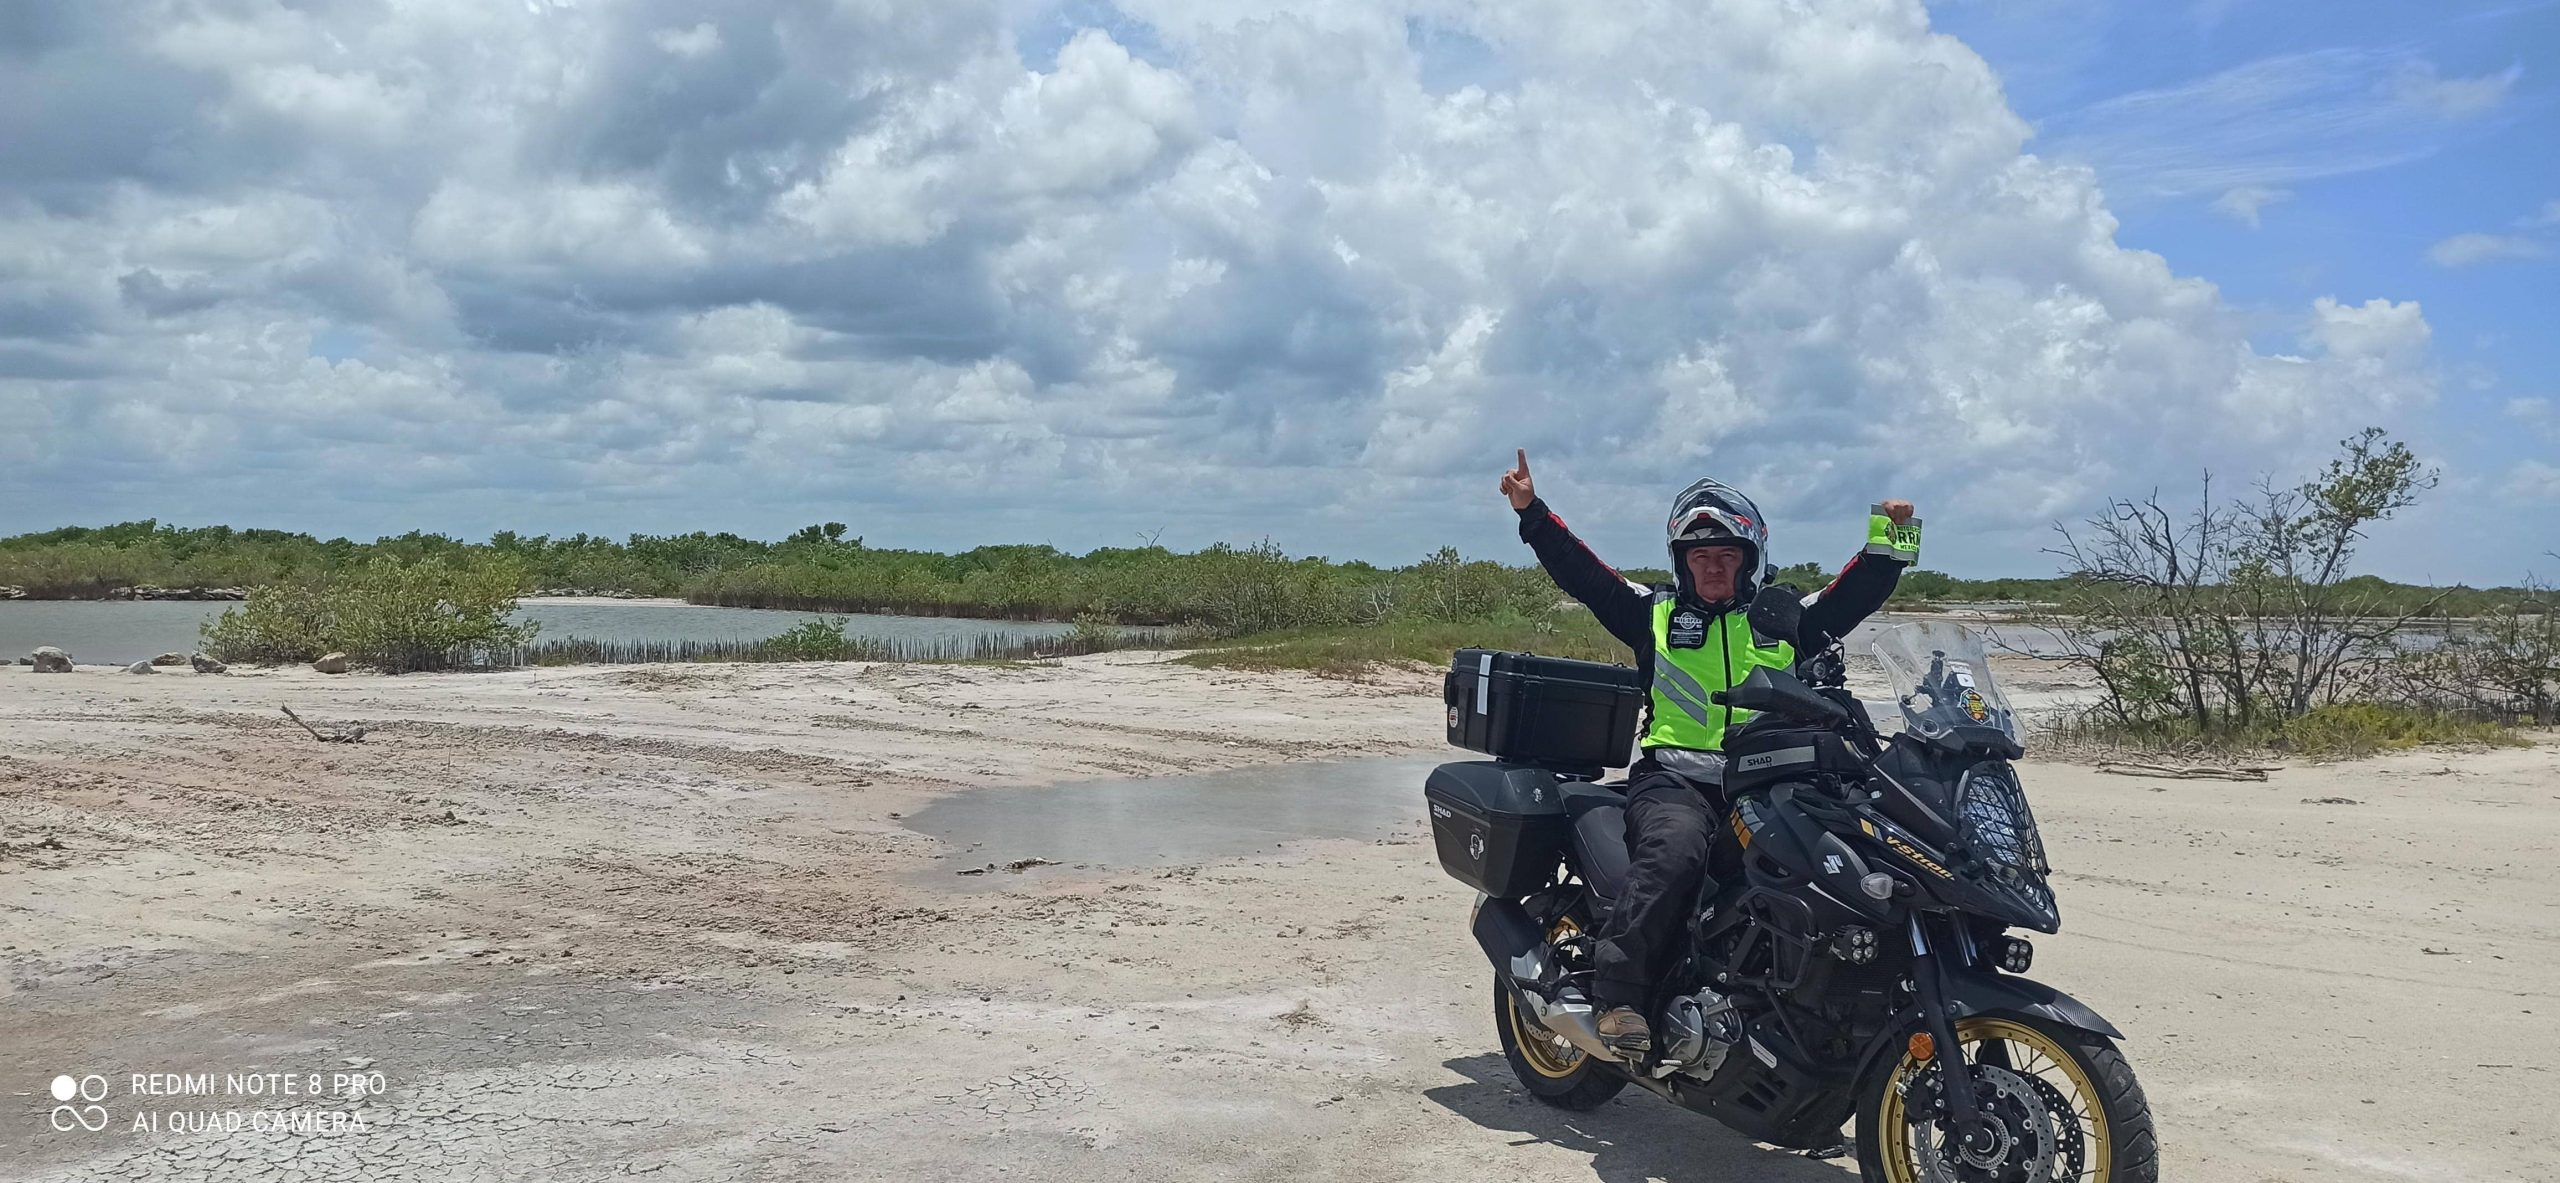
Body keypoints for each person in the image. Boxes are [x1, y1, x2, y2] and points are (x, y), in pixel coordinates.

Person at [1499, 449, 1918, 1056]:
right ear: (1682, 562)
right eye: (1701, 557)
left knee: (1851, 863)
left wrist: (1893, 534)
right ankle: (1619, 997)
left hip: (1774, 785)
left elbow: (1855, 595)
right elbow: (1583, 573)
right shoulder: (1654, 614)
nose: (1714, 568)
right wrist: (1532, 513)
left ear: (1749, 561)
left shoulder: (1783, 618)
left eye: (1726, 556)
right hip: (1676, 779)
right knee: (1672, 855)